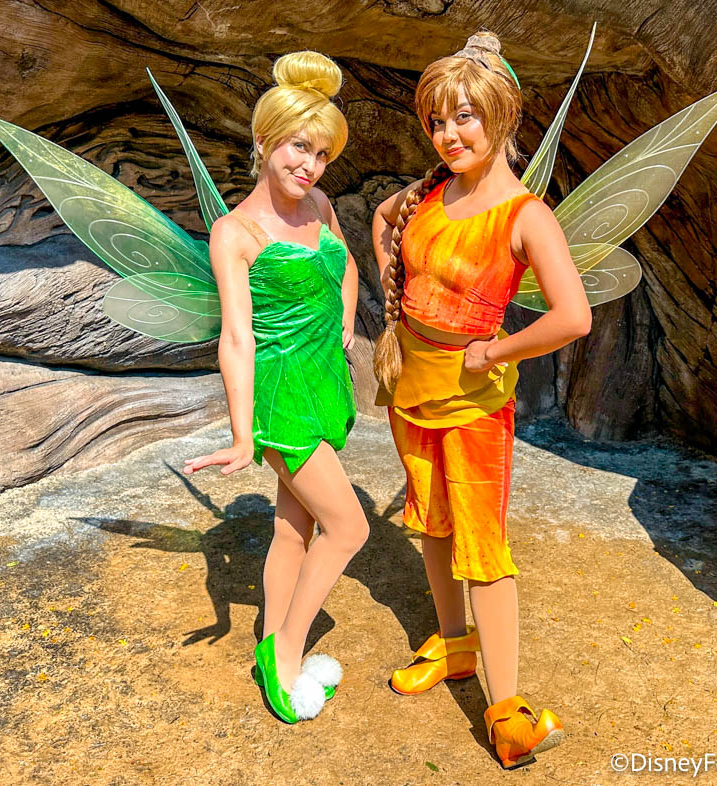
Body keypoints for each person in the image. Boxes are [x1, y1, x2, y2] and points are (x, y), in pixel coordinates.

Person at [371, 32, 592, 768]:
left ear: (502, 117)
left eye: (464, 117)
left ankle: (508, 711)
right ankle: (455, 645)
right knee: (430, 521)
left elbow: (573, 317)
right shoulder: (428, 195)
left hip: (473, 404)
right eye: (437, 120)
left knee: (483, 548)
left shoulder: (527, 216)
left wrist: (495, 351)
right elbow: (383, 220)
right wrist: (395, 290)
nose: (448, 134)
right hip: (412, 386)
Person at [186, 50, 369, 725]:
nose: (310, 165)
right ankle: (284, 654)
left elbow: (344, 262)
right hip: (281, 396)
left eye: (321, 153)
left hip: (323, 380)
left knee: (295, 528)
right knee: (348, 528)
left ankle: (272, 635)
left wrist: (345, 316)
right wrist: (243, 433)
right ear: (264, 141)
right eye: (298, 146)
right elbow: (236, 338)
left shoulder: (319, 203)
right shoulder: (234, 232)